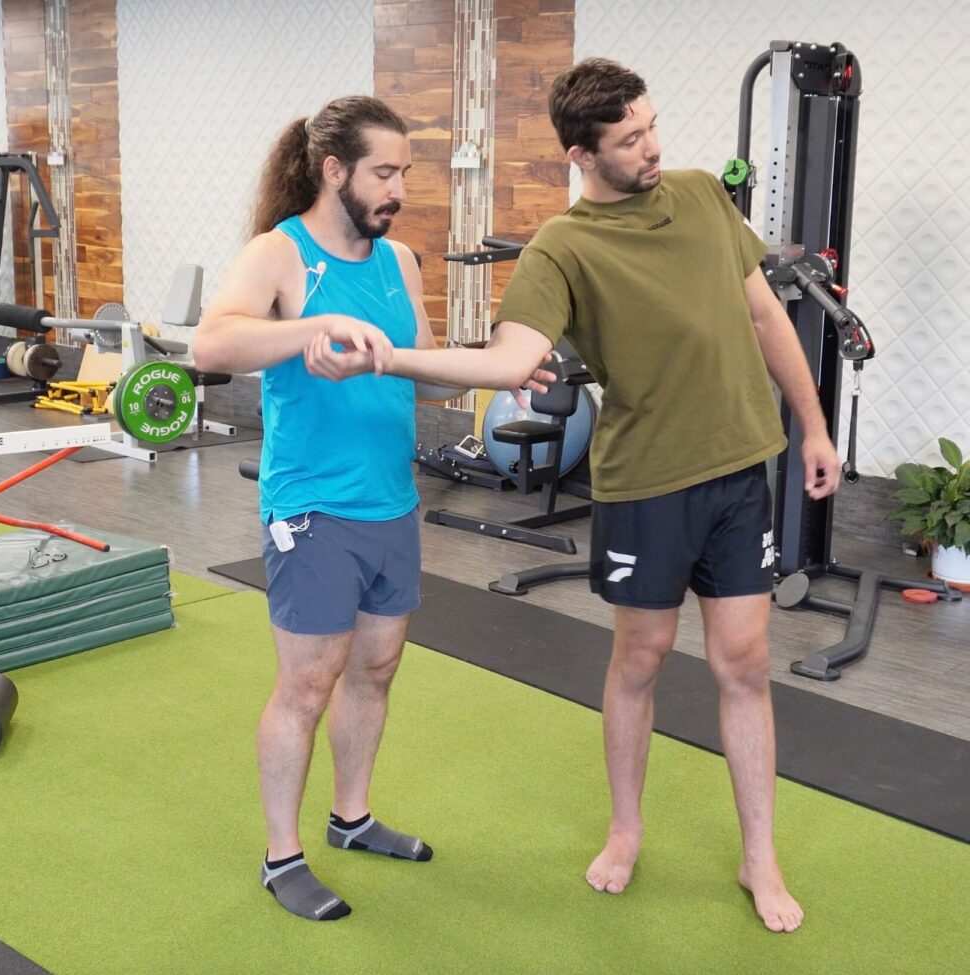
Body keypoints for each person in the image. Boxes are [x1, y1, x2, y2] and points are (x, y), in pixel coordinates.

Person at [306, 59, 841, 934]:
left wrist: (814, 429)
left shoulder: (706, 197)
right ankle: (625, 828)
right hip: (645, 487)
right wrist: (389, 358)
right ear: (581, 154)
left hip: (742, 471)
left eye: (652, 126)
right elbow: (510, 361)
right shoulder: (565, 246)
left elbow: (764, 315)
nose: (653, 147)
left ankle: (759, 853)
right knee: (642, 659)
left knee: (744, 662)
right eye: (630, 140)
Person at [193, 95, 552, 923]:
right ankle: (283, 857)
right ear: (334, 170)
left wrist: (498, 368)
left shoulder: (400, 265)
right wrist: (304, 329)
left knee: (377, 667)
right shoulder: (280, 254)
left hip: (391, 502)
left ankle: (350, 817)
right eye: (385, 172)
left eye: (404, 174)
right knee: (307, 683)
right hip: (312, 505)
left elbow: (418, 372)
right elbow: (211, 344)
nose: (399, 190)